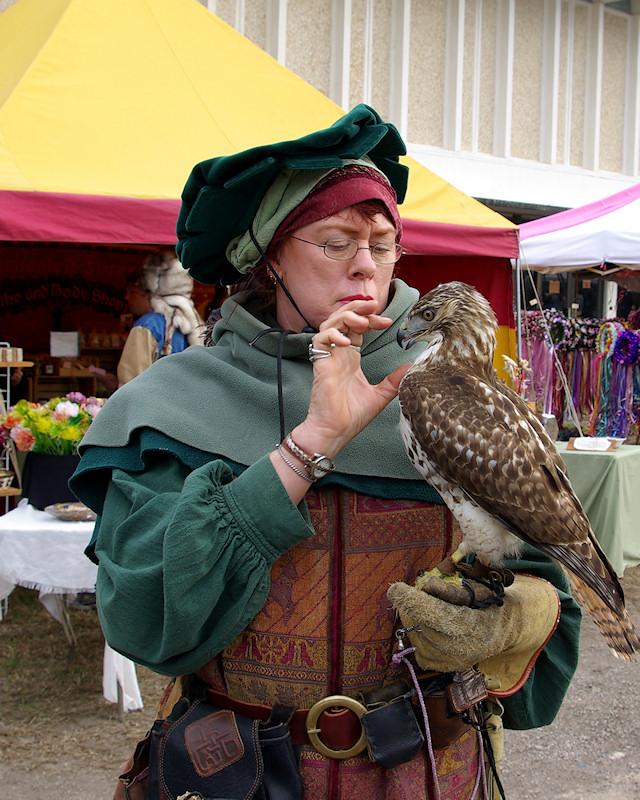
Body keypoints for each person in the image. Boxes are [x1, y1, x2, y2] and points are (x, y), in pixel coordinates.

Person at [71, 106, 580, 800]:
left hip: (427, 775)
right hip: (241, 777)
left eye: (384, 242)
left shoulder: (449, 394)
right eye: (337, 241)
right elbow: (142, 617)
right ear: (270, 259)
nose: (367, 265)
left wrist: (509, 620)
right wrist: (306, 447)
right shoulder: (176, 405)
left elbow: (551, 599)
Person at [116, 252, 204, 385]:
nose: (127, 298)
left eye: (132, 292)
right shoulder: (192, 322)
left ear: (147, 294)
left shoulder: (148, 325)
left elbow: (131, 382)